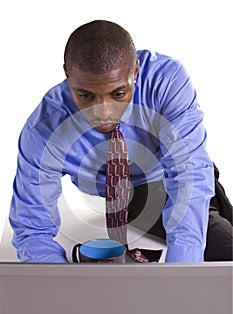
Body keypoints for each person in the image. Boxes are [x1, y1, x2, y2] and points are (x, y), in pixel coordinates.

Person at [9, 20, 232, 263]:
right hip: (137, 193)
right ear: (67, 75)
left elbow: (189, 176)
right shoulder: (44, 130)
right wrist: (64, 289)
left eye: (118, 93)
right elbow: (33, 230)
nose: (104, 112)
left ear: (135, 72)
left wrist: (179, 277)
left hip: (188, 171)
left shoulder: (166, 82)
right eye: (86, 95)